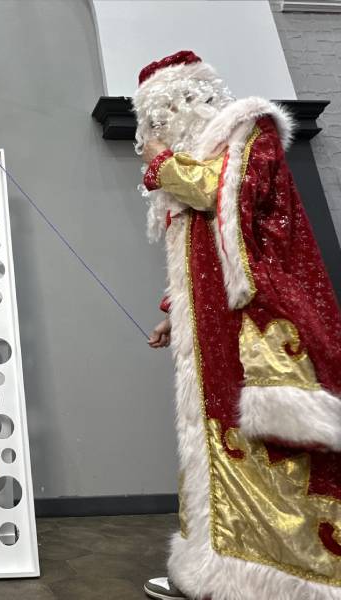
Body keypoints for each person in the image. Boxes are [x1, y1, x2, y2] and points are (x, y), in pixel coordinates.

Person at [134, 51, 341, 600]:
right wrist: (177, 314)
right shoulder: (207, 153)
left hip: (261, 336)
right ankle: (212, 573)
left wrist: (163, 163)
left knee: (270, 457)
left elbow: (229, 198)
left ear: (185, 104)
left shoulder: (249, 130)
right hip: (215, 336)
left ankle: (289, 581)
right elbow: (211, 253)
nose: (153, 134)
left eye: (158, 120)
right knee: (213, 452)